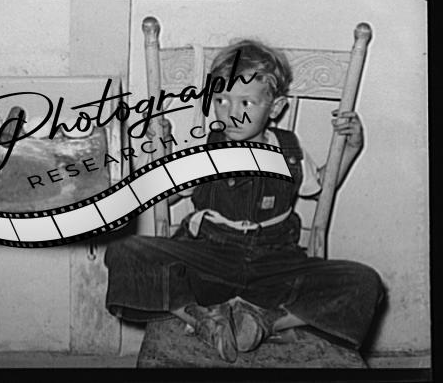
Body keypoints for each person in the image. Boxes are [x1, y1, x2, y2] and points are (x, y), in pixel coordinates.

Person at [104, 39, 385, 362]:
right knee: (124, 251)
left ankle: (266, 321)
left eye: (246, 102)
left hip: (275, 263)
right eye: (221, 100)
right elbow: (164, 195)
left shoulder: (289, 152)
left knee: (364, 282)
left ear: (275, 107)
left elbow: (321, 186)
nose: (232, 113)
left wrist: (351, 147)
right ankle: (201, 318)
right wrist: (159, 152)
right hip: (209, 259)